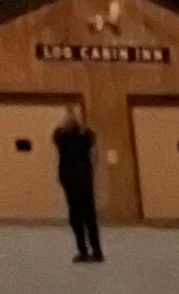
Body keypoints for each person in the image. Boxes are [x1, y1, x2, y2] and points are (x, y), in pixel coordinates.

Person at [53, 112, 103, 263]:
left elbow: (55, 135)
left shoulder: (62, 139)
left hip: (70, 182)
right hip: (84, 181)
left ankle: (83, 251)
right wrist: (84, 127)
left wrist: (64, 124)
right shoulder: (85, 138)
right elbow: (93, 140)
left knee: (76, 218)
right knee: (90, 218)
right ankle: (97, 252)